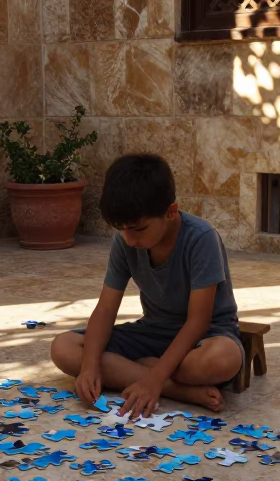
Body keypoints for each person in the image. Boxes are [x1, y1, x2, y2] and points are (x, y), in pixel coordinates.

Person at [50, 153, 243, 419]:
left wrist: (152, 378)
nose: (130, 239)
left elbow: (198, 321)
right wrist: (89, 367)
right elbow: (106, 309)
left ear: (170, 211)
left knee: (221, 360)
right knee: (64, 347)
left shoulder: (201, 238)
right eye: (122, 229)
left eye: (139, 229)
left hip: (205, 336)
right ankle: (177, 389)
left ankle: (144, 374)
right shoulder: (125, 242)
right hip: (153, 332)